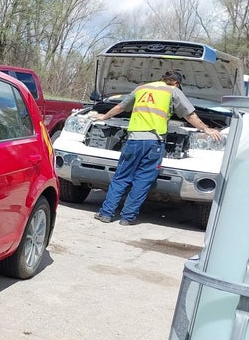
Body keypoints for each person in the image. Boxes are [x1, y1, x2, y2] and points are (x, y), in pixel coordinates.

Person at [92, 70, 222, 225]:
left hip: (134, 141)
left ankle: (106, 214)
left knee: (121, 177)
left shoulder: (141, 88)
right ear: (176, 83)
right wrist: (206, 129)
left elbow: (120, 107)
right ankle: (127, 218)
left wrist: (104, 116)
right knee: (143, 180)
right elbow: (189, 115)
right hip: (154, 142)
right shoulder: (173, 91)